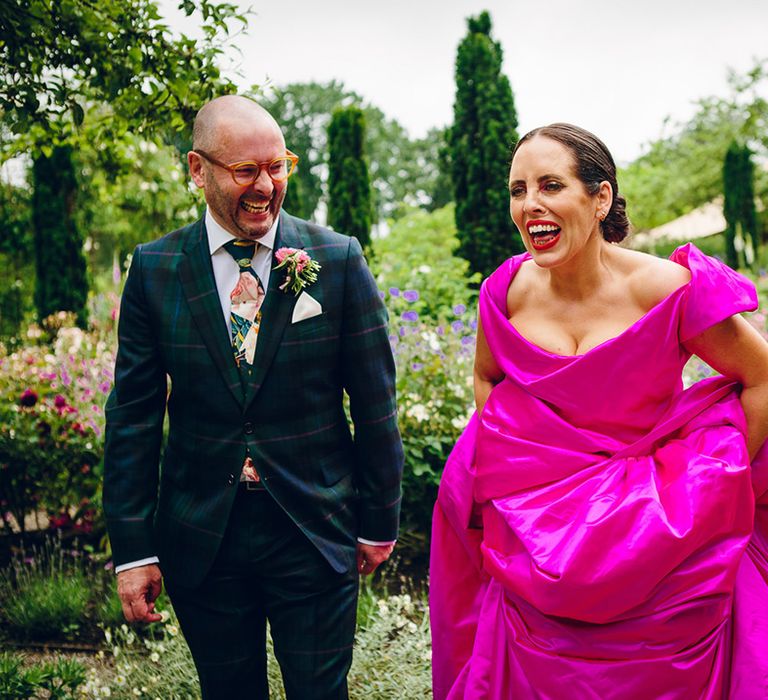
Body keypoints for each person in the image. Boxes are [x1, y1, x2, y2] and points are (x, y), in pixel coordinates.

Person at [430, 123, 768, 699]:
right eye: (518, 189)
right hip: (544, 555)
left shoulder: (667, 289)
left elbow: (760, 377)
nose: (530, 203)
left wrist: (709, 488)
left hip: (659, 546)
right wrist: (528, 477)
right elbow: (488, 379)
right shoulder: (505, 293)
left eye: (551, 185)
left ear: (600, 197)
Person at [103, 94, 404, 700]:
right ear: (198, 169)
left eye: (278, 166)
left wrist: (378, 520)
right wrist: (133, 549)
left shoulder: (337, 258)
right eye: (246, 171)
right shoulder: (156, 269)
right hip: (202, 536)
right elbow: (133, 416)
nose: (266, 185)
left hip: (313, 527)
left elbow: (375, 404)